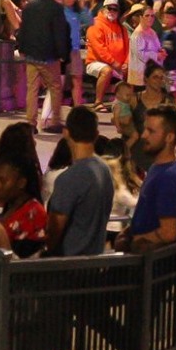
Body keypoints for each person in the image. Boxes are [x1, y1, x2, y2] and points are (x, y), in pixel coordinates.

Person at [116, 105, 176, 252]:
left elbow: (169, 233)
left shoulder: (168, 177)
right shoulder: (161, 167)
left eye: (151, 131)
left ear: (169, 137)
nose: (144, 136)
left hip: (154, 267)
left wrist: (135, 240)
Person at [44, 107, 113, 257]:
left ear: (66, 133)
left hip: (72, 266)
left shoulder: (68, 179)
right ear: (96, 135)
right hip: (96, 259)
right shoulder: (105, 170)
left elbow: (54, 231)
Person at [19, 0, 73, 132]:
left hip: (31, 54)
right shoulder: (56, 9)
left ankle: (30, 122)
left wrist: (22, 49)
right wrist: (64, 54)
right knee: (55, 87)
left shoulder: (30, 6)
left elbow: (23, 30)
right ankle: (55, 121)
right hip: (49, 56)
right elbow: (59, 34)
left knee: (32, 89)